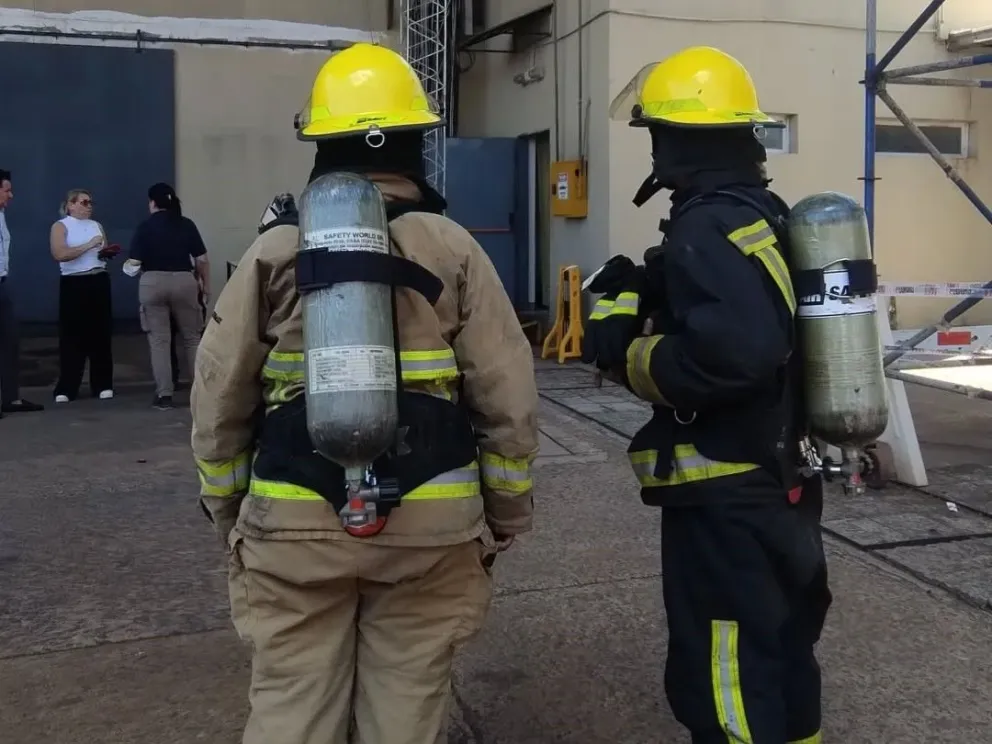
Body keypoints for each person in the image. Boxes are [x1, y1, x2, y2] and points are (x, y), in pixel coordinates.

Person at [190, 43, 538, 744]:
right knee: (405, 710)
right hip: (432, 527)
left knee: (291, 706)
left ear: (320, 145)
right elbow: (508, 395)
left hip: (292, 521)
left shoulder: (273, 251)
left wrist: (229, 508)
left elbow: (219, 393)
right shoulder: (454, 247)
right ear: (416, 144)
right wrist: (504, 513)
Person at [584, 47, 832, 744]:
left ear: (679, 141)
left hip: (727, 490)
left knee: (725, 660)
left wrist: (628, 352)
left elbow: (737, 354)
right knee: (782, 643)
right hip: (781, 477)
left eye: (658, 134)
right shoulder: (762, 215)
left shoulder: (706, 225)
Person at [127, 182, 209, 409]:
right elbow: (202, 259)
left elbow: (134, 264)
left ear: (152, 203)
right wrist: (206, 286)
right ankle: (200, 394)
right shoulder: (186, 224)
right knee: (192, 339)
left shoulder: (145, 227)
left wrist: (127, 267)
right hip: (184, 281)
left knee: (160, 341)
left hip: (152, 282)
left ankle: (164, 394)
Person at [49, 189, 115, 403]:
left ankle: (103, 383)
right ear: (71, 204)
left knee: (101, 333)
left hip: (98, 277)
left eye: (90, 203)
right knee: (72, 334)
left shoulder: (96, 226)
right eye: (84, 202)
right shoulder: (61, 226)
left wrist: (106, 252)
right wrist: (88, 245)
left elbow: (100, 249)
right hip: (74, 280)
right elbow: (60, 254)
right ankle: (68, 386)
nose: (89, 206)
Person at [0, 169, 44, 417]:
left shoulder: (1, 214)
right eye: (6, 189)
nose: (11, 195)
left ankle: (10, 398)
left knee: (9, 342)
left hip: (2, 283)